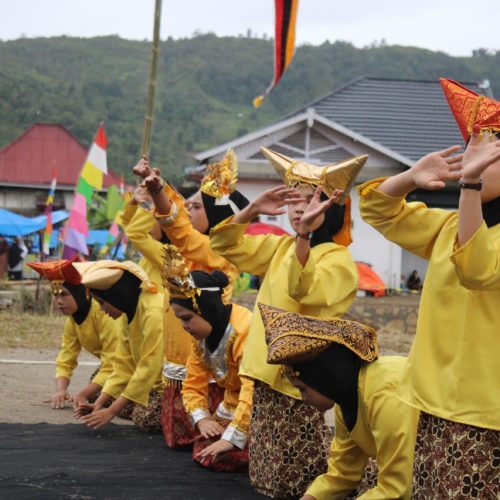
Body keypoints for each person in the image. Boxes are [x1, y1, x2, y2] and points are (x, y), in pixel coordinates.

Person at [357, 78, 500, 499]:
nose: (471, 159)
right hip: (432, 399)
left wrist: (469, 187)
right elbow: (379, 210)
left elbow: (478, 270)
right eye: (469, 148)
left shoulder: (464, 220)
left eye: (486, 150)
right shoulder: (447, 226)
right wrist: (410, 177)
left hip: (487, 409)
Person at [210, 147, 367, 497]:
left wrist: (304, 237)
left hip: (305, 372)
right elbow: (224, 244)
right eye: (295, 201)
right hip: (266, 364)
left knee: (301, 459)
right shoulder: (280, 246)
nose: (299, 208)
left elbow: (304, 289)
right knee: (268, 460)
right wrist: (251, 209)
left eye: (311, 200)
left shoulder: (339, 260)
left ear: (332, 209)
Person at [132, 150, 250, 448]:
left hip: (199, 346)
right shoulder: (188, 251)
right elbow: (176, 227)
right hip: (179, 342)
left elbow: (178, 227)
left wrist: (157, 189)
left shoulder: (217, 250)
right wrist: (154, 188)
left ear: (218, 215)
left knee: (199, 436)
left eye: (195, 207)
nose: (187, 210)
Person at [260, 303, 419, 499]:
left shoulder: (384, 394)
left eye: (302, 388)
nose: (303, 398)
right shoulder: (348, 400)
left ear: (323, 378)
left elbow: (396, 490)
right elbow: (343, 474)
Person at [163, 246, 253, 471]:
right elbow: (193, 383)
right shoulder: (200, 337)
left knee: (230, 455)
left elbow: (253, 389)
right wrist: (203, 420)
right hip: (234, 402)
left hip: (265, 403)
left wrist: (231, 438)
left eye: (187, 318)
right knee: (206, 451)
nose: (184, 327)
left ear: (206, 309)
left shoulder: (244, 331)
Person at [73, 260, 165, 433]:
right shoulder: (127, 312)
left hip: (169, 385)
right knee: (108, 399)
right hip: (148, 385)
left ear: (117, 295)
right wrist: (100, 404)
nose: (101, 309)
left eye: (102, 302)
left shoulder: (153, 313)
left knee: (146, 419)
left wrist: (112, 411)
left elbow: (149, 367)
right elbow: (124, 365)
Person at [27, 258, 122, 409]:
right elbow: (66, 358)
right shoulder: (73, 319)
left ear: (81, 293)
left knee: (133, 410)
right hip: (114, 367)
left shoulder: (104, 313)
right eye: (56, 295)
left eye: (64, 294)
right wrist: (61, 390)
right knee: (97, 395)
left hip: (131, 367)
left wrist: (82, 394)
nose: (58, 301)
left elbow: (114, 364)